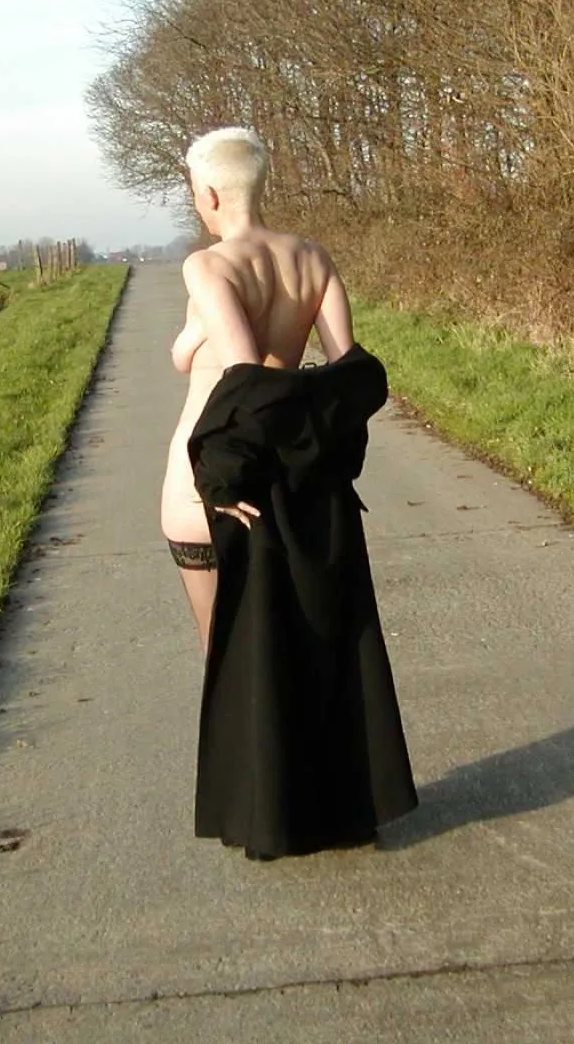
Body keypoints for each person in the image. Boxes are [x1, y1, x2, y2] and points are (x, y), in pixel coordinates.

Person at [162, 126, 417, 859]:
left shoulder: (208, 265)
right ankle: (321, 809)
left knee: (231, 654)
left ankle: (264, 813)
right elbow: (351, 369)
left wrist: (222, 478)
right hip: (299, 479)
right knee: (305, 640)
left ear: (210, 195)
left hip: (219, 479)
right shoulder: (311, 257)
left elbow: (247, 382)